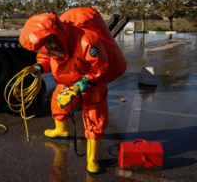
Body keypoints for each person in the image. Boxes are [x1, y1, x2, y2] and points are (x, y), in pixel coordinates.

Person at [19, 9, 126, 173]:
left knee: (94, 118)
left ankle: (92, 159)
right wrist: (40, 66)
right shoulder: (50, 44)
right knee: (58, 103)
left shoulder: (87, 40)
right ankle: (61, 130)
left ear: (58, 34)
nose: (47, 49)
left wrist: (85, 82)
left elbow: (101, 67)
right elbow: (47, 57)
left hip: (91, 82)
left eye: (46, 45)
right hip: (68, 80)